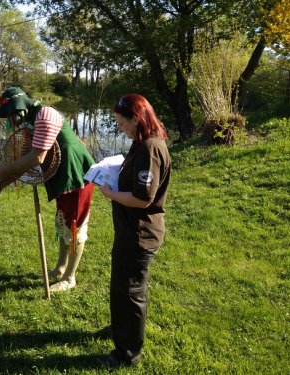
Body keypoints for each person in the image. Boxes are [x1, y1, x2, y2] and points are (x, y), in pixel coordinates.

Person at [0, 87, 95, 292]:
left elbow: (37, 158)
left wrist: (3, 170)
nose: (10, 120)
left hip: (75, 176)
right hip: (60, 179)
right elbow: (24, 163)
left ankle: (70, 277)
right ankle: (60, 268)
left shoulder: (45, 115)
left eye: (10, 114)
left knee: (74, 227)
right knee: (63, 223)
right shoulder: (30, 122)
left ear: (18, 108)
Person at [98, 94, 171, 367]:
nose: (119, 128)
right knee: (123, 288)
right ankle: (122, 327)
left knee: (130, 290)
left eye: (121, 122)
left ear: (137, 119)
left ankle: (128, 353)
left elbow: (143, 198)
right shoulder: (141, 143)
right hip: (130, 231)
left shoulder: (150, 148)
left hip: (140, 234)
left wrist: (110, 194)